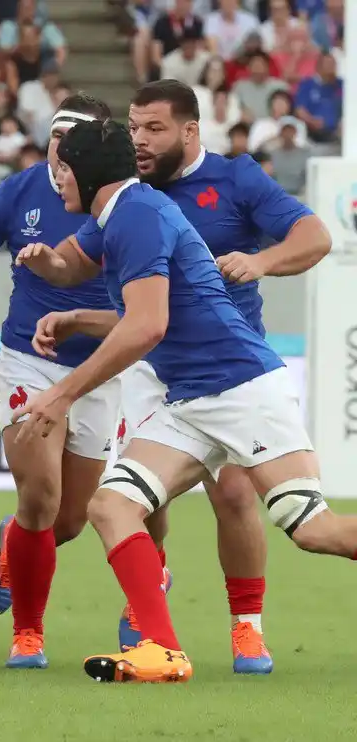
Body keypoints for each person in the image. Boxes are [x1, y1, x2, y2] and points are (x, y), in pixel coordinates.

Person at [14, 118, 357, 684]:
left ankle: (196, 636)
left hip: (241, 389)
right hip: (189, 400)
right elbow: (88, 273)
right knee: (112, 506)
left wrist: (61, 392)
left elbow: (147, 326)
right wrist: (67, 302)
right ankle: (163, 650)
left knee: (313, 530)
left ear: (85, 171)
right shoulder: (121, 214)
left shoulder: (139, 216)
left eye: (62, 168)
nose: (55, 179)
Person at [112, 79, 331, 673]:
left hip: (230, 369)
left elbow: (315, 236)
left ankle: (247, 629)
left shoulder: (236, 179)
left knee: (236, 494)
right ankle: (146, 607)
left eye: (153, 128)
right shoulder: (133, 191)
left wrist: (260, 261)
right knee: (128, 501)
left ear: (190, 130)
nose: (140, 140)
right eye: (134, 127)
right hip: (152, 368)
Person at [0, 93, 119, 670]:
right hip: (29, 360)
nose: (61, 149)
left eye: (74, 138)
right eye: (56, 136)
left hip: (102, 370)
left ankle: (14, 546)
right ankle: (28, 635)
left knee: (71, 520)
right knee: (42, 496)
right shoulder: (16, 192)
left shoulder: (119, 201)